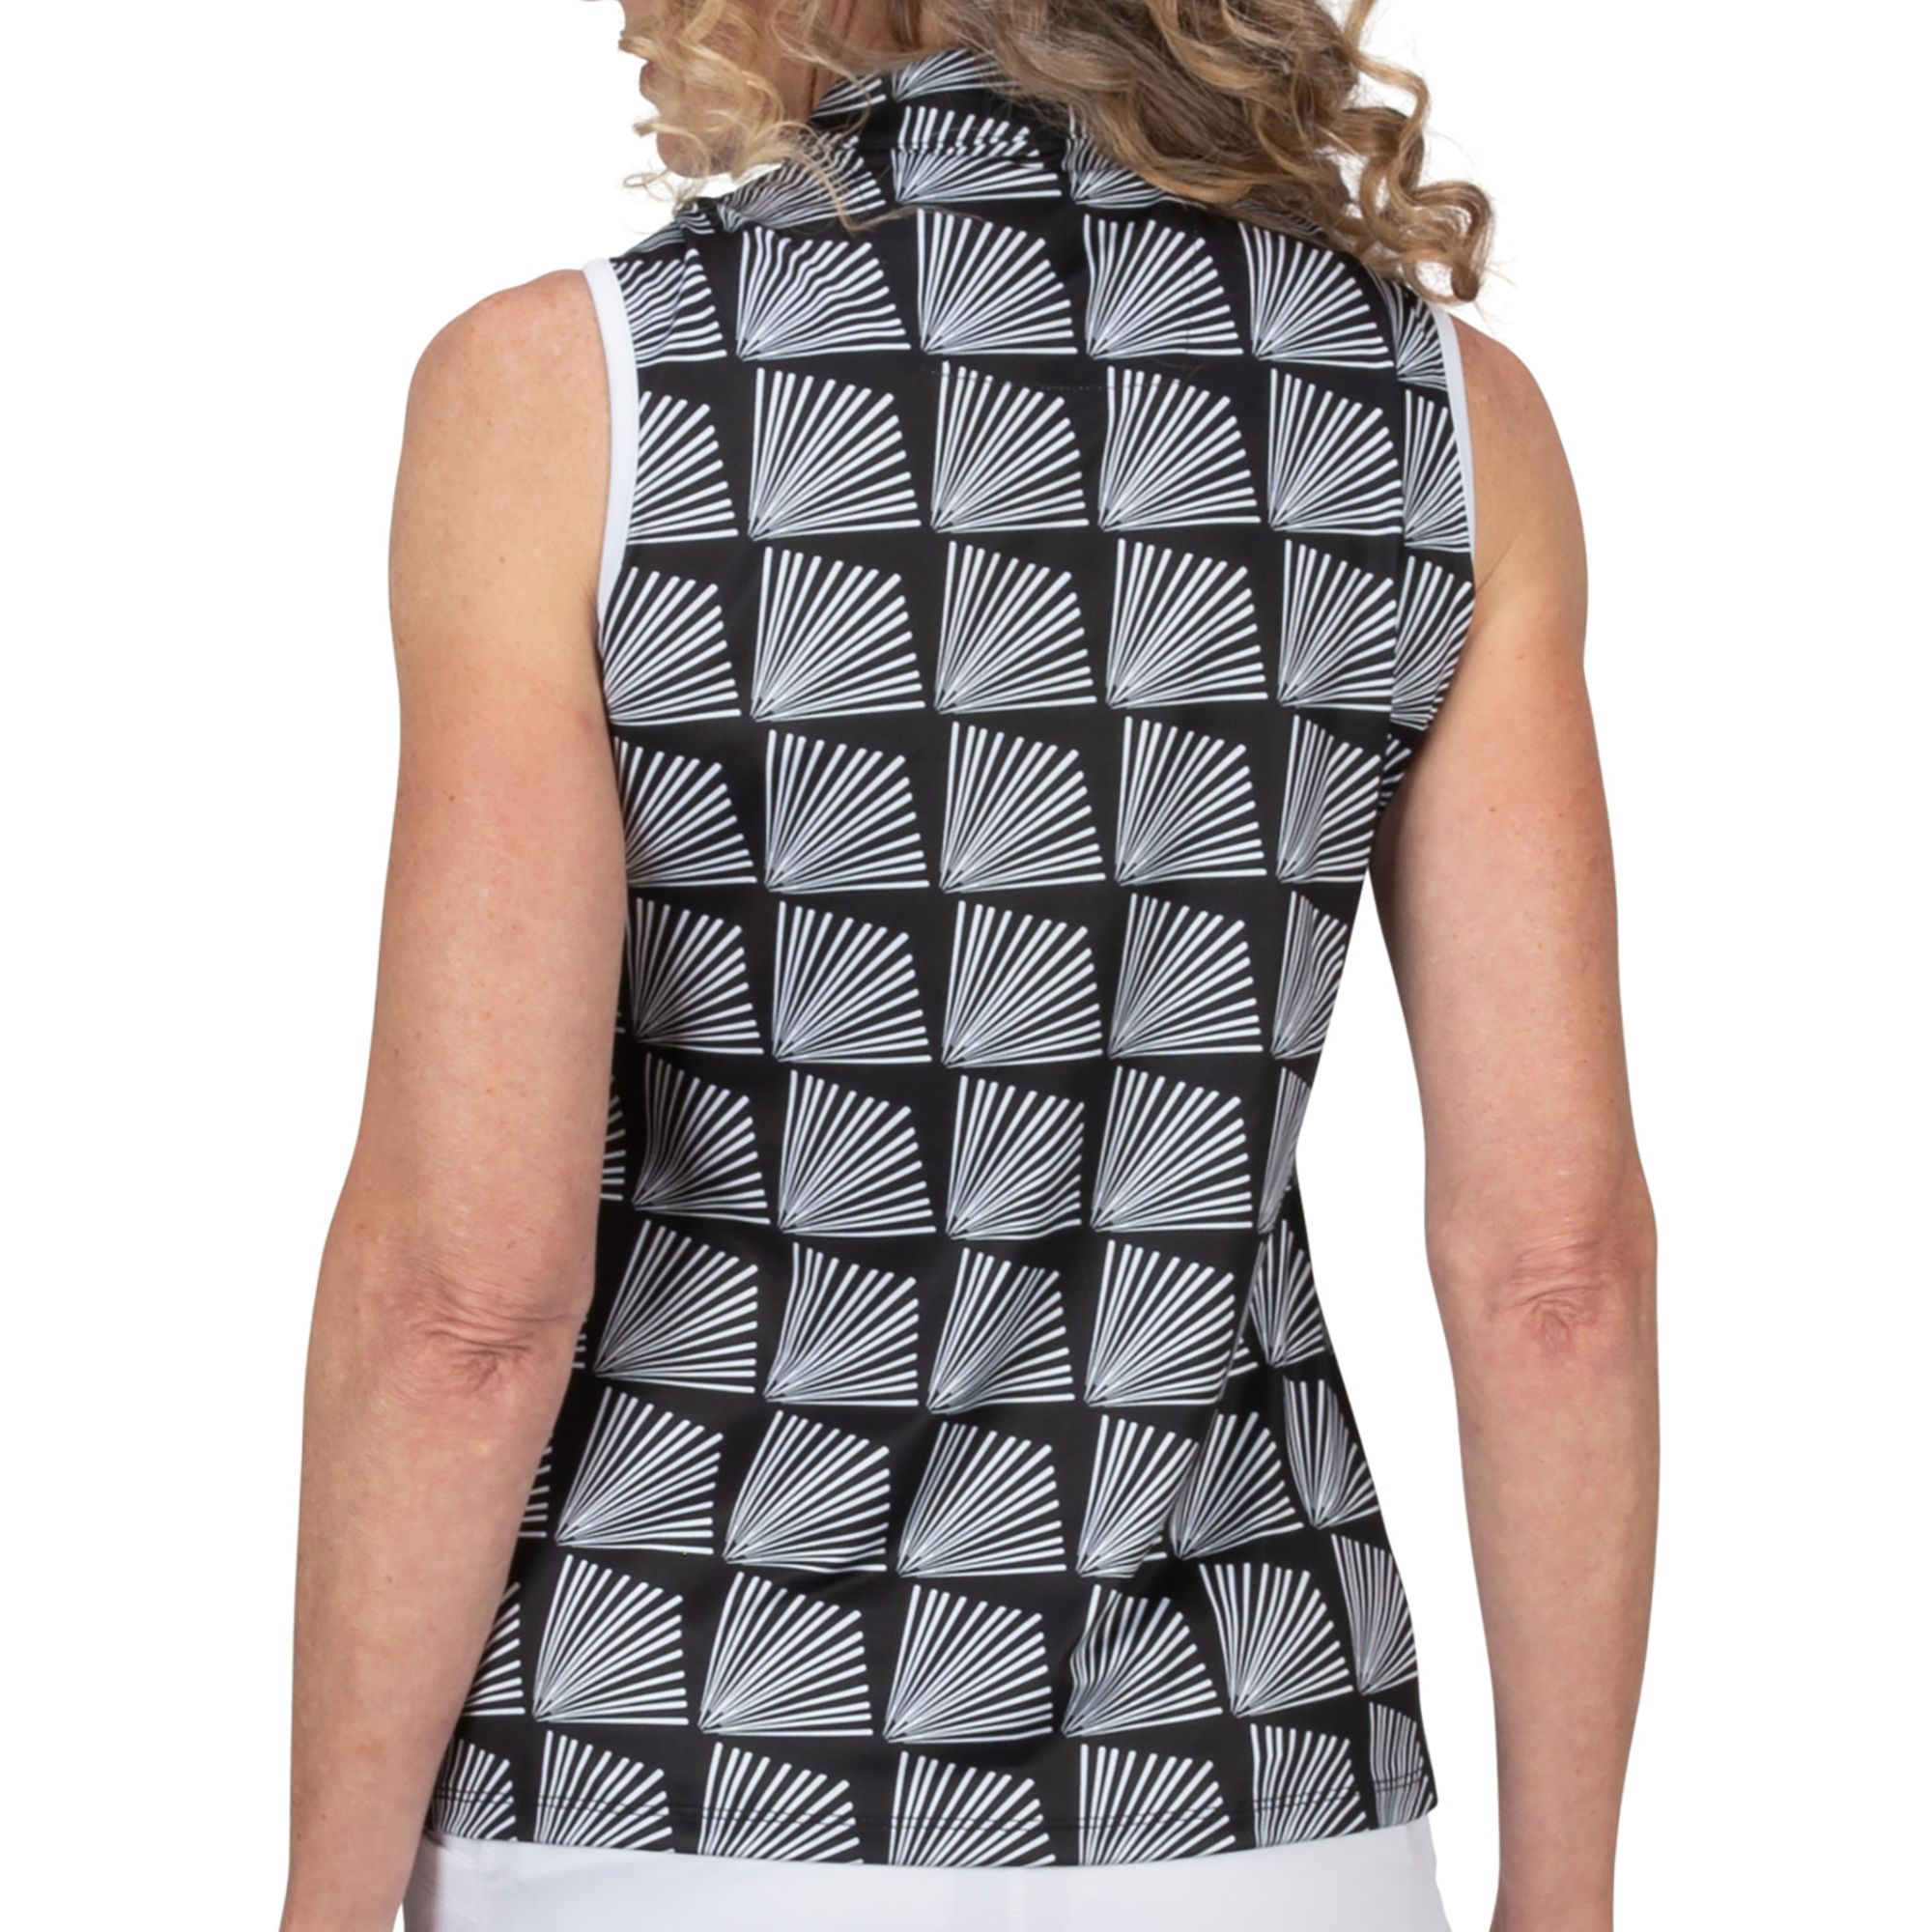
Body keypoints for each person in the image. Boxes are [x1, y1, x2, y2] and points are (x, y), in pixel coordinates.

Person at [279, 5, 1658, 1930]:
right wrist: (1564, 1900)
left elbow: (463, 1303)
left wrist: (326, 1900)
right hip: (1257, 1783)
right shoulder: (1441, 417)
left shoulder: (572, 393)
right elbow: (1553, 1275)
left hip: (661, 1769)